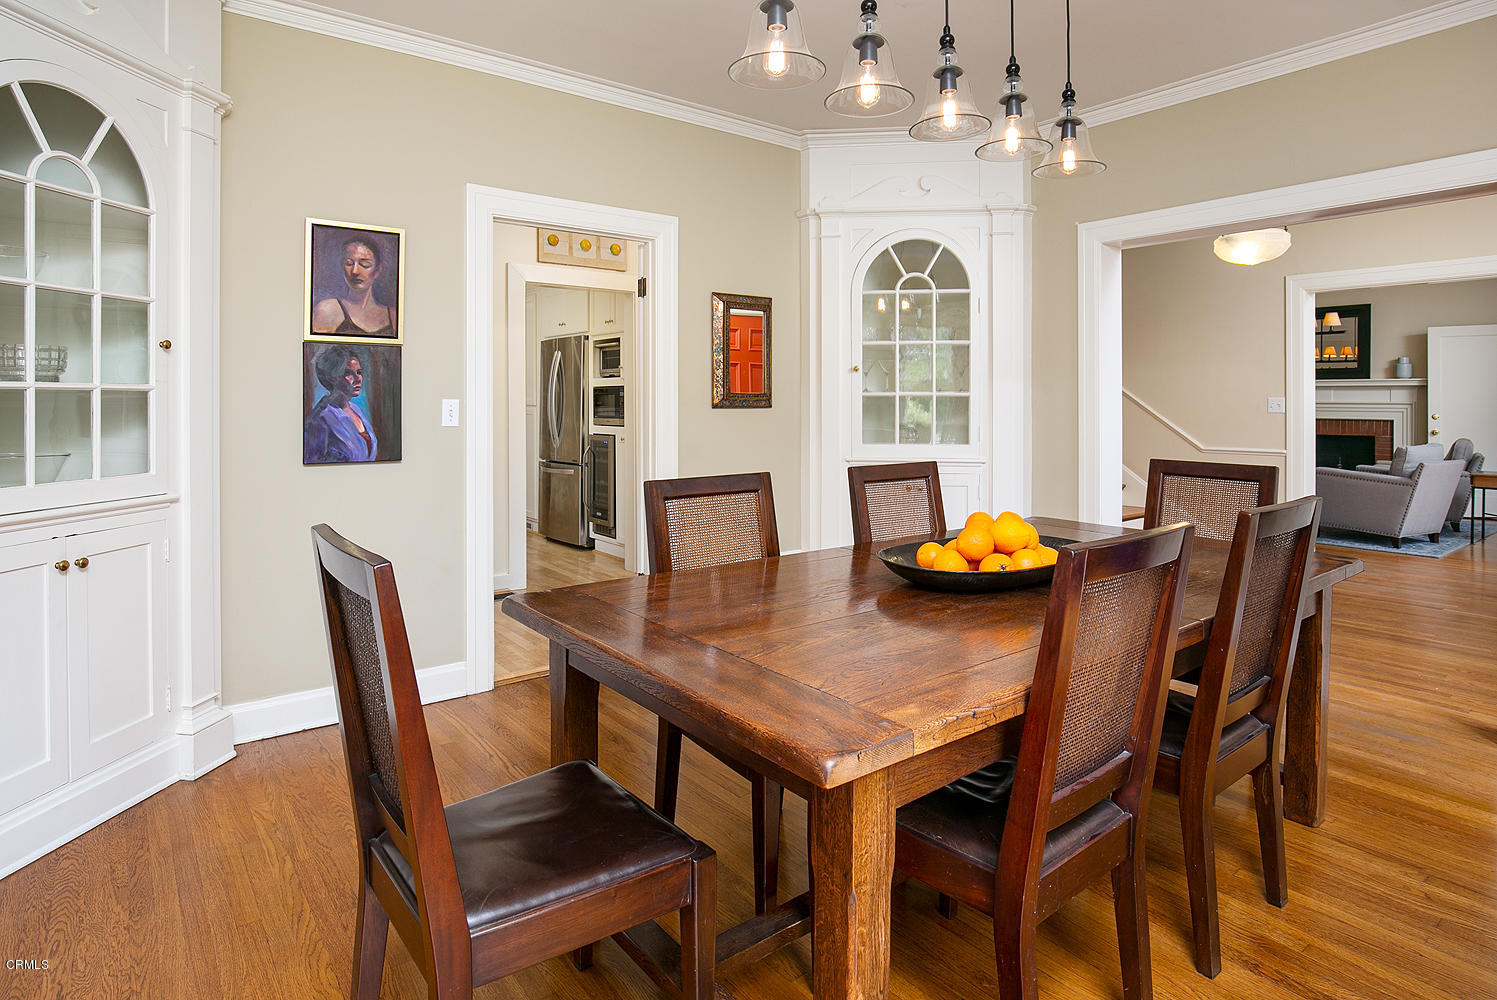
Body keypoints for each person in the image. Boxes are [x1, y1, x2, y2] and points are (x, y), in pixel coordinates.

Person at [304, 347, 378, 463]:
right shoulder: (320, 419)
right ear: (331, 377)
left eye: (359, 372)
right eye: (348, 373)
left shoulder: (356, 410)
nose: (358, 379)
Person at [311, 237, 397, 337]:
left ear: (377, 270)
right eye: (349, 263)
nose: (355, 271)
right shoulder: (328, 310)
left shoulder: (393, 316)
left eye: (365, 264)